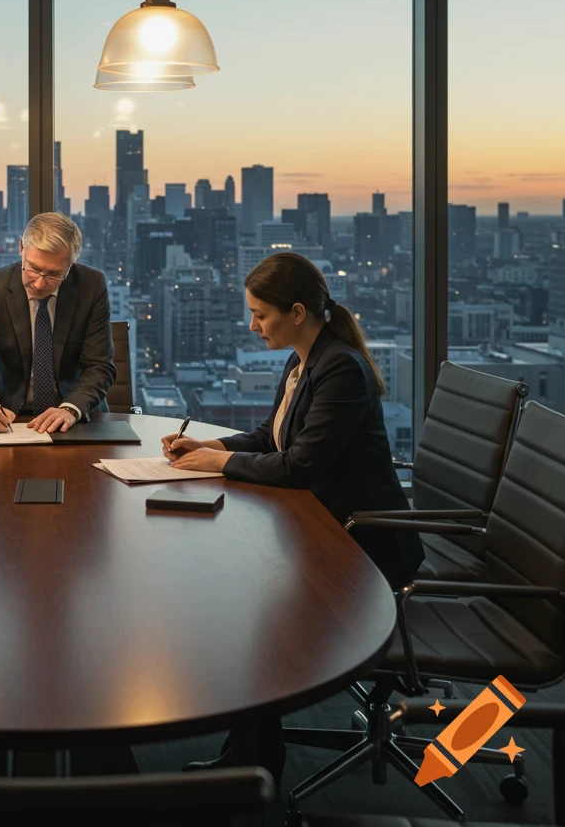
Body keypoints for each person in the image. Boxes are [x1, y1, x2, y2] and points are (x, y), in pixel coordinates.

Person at [163, 251, 423, 779]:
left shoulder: (340, 370)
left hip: (363, 549)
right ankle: (249, 756)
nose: (252, 325)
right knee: (243, 600)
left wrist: (219, 463)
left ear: (298, 311)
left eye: (261, 314)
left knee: (251, 615)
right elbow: (271, 438)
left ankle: (254, 764)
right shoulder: (305, 357)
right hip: (323, 528)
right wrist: (207, 444)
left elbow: (299, 465)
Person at [0, 212, 115, 434]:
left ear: (71, 264)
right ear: (22, 248)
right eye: (32, 268)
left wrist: (70, 409)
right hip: (11, 418)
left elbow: (100, 366)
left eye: (53, 274)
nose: (39, 284)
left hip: (75, 419)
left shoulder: (92, 285)